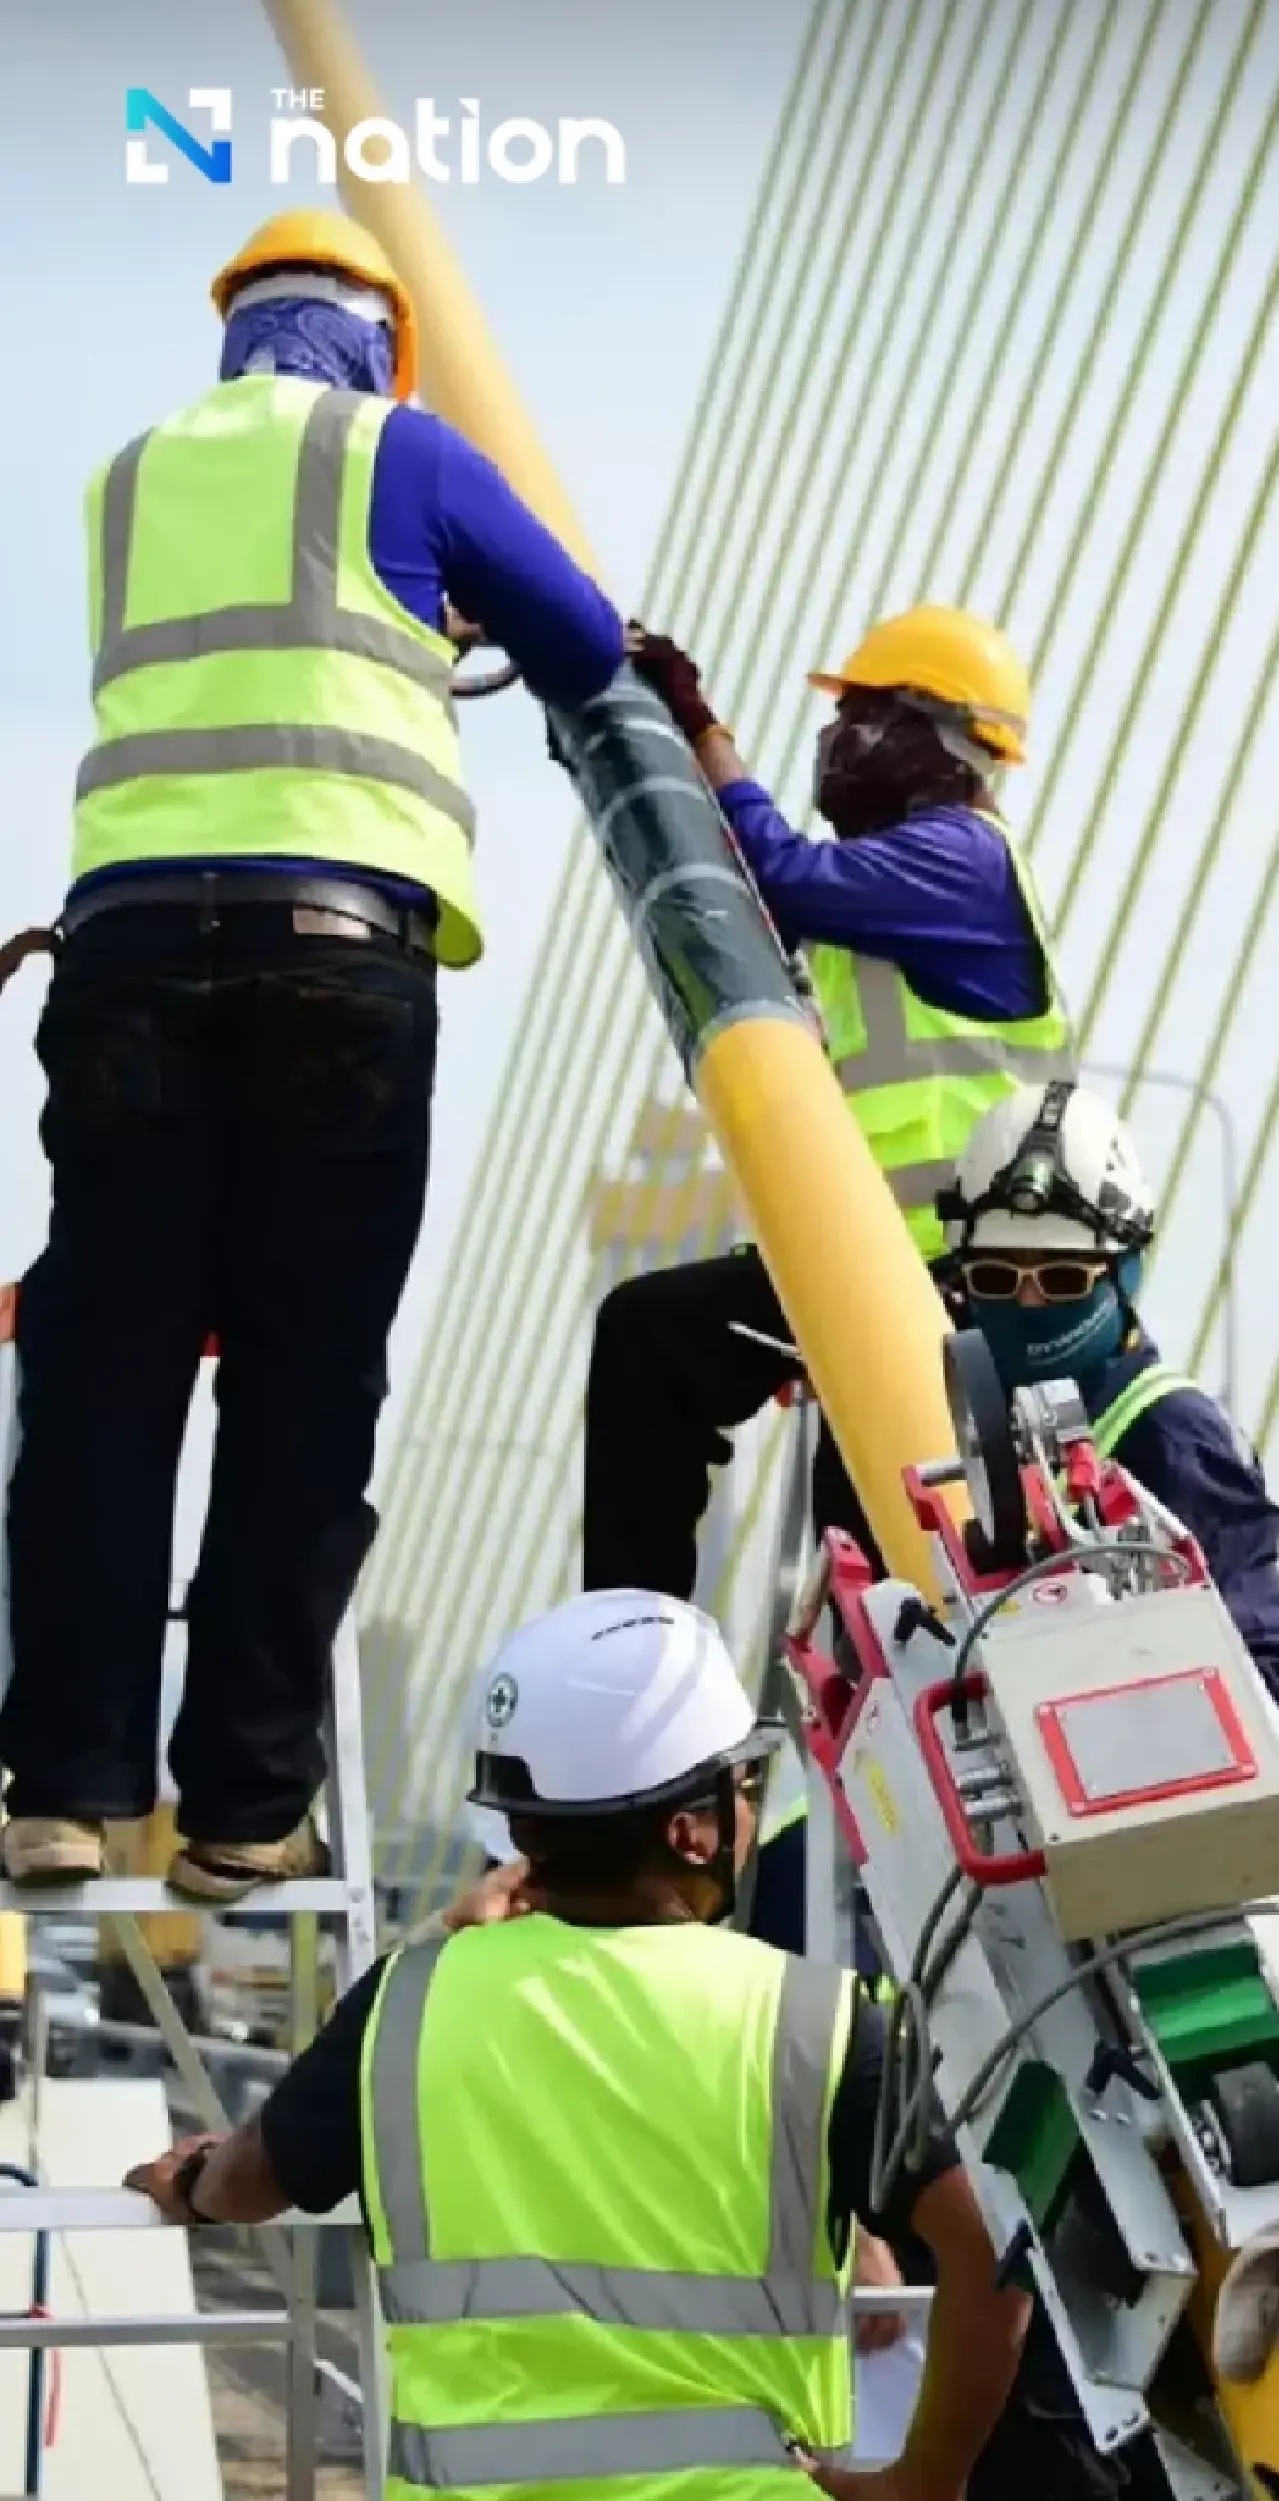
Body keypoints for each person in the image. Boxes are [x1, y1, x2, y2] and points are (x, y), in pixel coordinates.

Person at [1, 212, 626, 1893]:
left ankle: (60, 1786)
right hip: (339, 957)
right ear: (380, 342)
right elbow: (579, 638)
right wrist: (445, 631)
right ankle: (245, 1811)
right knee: (303, 1369)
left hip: (126, 952)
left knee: (104, 1368)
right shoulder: (402, 453)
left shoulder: (125, 477)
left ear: (234, 335)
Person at [124, 1589, 1029, 2500]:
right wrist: (924, 2481)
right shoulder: (815, 2022)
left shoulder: (409, 1998)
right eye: (745, 1786)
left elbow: (249, 2180)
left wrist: (192, 2180)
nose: (753, 1810)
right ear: (692, 1828)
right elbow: (994, 2247)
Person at [582, 606, 1078, 1601]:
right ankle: (644, 1645)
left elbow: (776, 873)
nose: (836, 739)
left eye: (862, 713)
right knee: (665, 1351)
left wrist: (700, 728)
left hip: (953, 1280)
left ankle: (649, 1644)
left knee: (888, 1571)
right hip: (871, 1264)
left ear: (942, 737)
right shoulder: (890, 894)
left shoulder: (960, 857)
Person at [938, 1080, 1279, 1732]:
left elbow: (1265, 1670)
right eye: (997, 1277)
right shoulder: (995, 1429)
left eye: (1061, 1278)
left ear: (1127, 1272)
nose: (1028, 1304)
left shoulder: (1171, 1437)